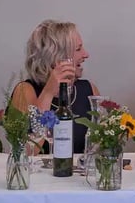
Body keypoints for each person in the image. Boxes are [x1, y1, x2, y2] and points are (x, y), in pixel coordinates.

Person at [9, 20, 99, 154]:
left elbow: (101, 147)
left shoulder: (89, 90)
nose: (86, 54)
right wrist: (48, 93)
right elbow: (24, 152)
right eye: (78, 49)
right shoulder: (26, 91)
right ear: (57, 57)